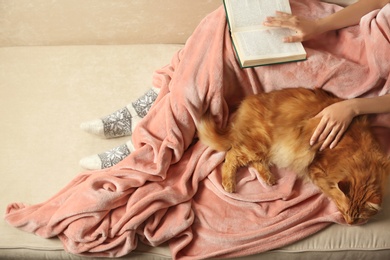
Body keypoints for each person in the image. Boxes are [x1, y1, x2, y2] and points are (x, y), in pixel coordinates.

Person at [80, 0, 390, 170]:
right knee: (224, 21)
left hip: (366, 77)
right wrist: (318, 26)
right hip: (350, 32)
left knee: (233, 58)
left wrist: (352, 106)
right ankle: (159, 100)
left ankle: (154, 139)